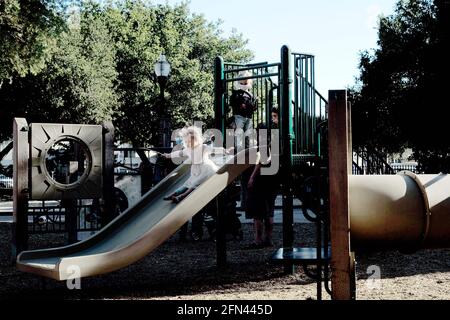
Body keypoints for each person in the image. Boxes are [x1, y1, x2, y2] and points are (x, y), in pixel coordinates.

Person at [245, 108, 280, 248]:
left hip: (262, 179)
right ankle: (269, 239)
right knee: (269, 211)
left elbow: (261, 161)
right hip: (273, 179)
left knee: (258, 213)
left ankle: (258, 240)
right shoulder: (275, 141)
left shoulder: (264, 143)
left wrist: (252, 177)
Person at [162, 126, 219, 203]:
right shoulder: (188, 150)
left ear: (196, 139)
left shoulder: (203, 147)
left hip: (206, 169)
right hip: (196, 170)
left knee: (194, 184)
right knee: (188, 183)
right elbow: (179, 153)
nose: (189, 143)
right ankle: (174, 193)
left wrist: (225, 150)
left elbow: (213, 150)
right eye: (187, 142)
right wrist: (169, 155)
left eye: (191, 141)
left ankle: (181, 196)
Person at [229, 70, 258, 152]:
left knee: (248, 134)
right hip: (239, 116)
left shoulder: (251, 95)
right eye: (241, 83)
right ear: (238, 83)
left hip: (249, 117)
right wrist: (241, 105)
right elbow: (233, 103)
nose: (244, 85)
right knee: (238, 133)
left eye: (245, 83)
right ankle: (238, 151)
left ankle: (247, 150)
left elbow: (254, 107)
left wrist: (251, 105)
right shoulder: (236, 93)